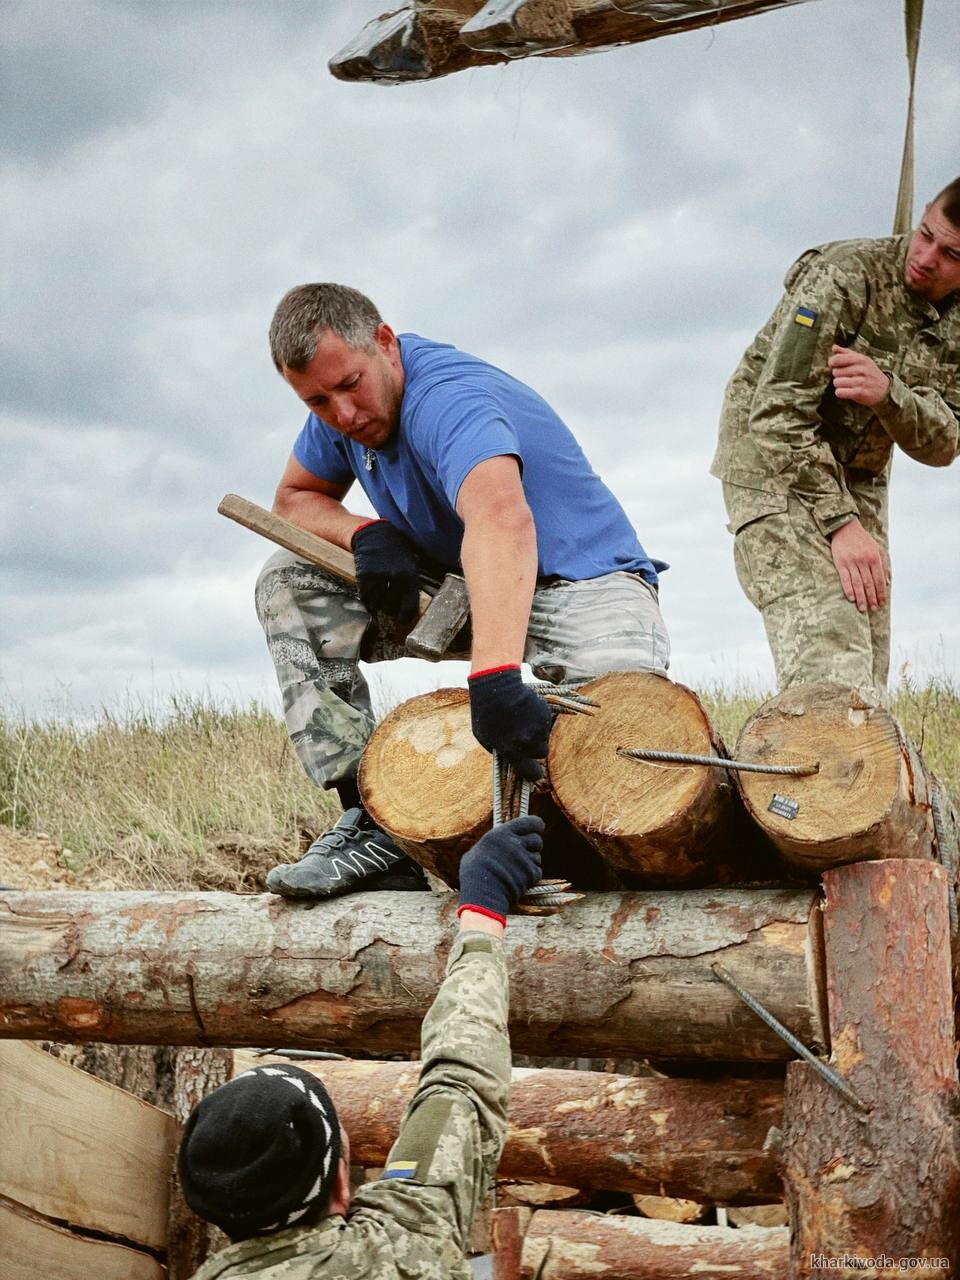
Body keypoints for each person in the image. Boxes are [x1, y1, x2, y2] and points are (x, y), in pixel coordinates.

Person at [257, 283, 669, 898]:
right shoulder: (342, 410)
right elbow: (292, 500)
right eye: (317, 401)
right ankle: (373, 825)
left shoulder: (449, 400)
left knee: (626, 775)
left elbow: (502, 519)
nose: (342, 415)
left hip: (586, 585)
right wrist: (366, 534)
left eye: (349, 387)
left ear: (386, 344)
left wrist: (495, 678)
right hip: (465, 584)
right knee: (288, 578)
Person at [177, 814, 544, 1280]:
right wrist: (483, 909)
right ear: (341, 1185)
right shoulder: (398, 1252)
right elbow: (460, 1083)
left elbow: (460, 1091)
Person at [712, 177, 960, 695]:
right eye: (925, 234)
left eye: (951, 253)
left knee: (867, 684)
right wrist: (841, 524)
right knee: (830, 669)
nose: (927, 257)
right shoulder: (844, 276)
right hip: (771, 464)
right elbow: (777, 413)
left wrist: (887, 395)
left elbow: (944, 443)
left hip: (858, 476)